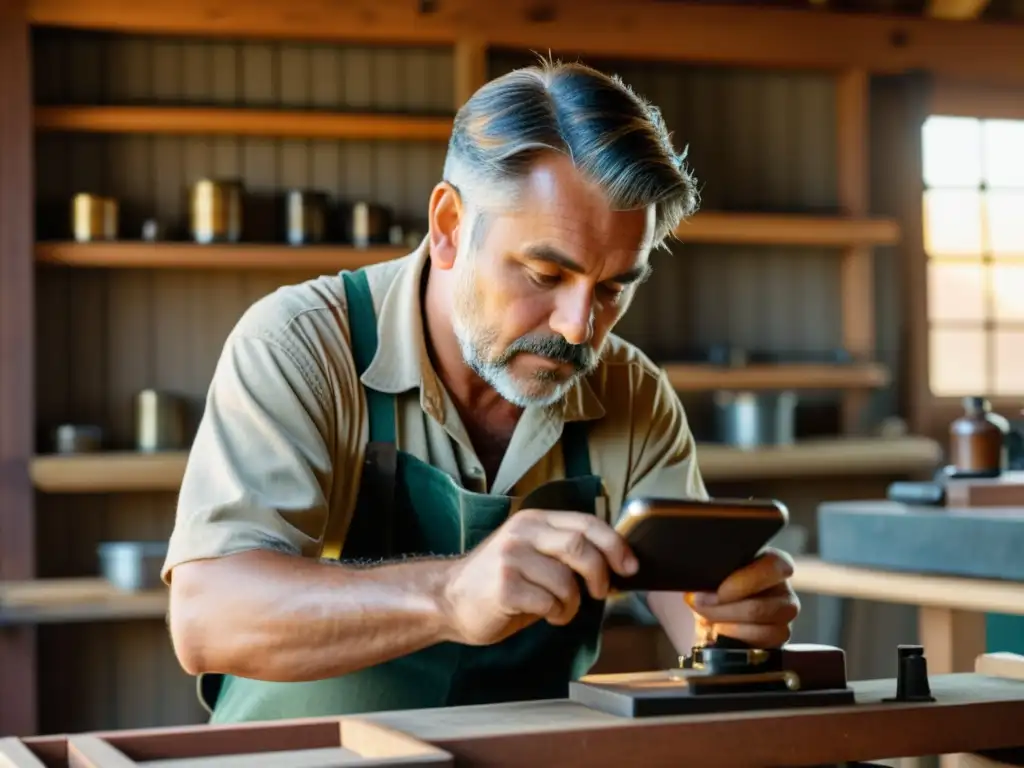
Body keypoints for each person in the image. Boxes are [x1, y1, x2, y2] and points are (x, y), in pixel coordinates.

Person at [162, 58, 799, 723]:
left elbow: (697, 617)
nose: (579, 329)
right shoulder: (300, 346)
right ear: (448, 228)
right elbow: (209, 618)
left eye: (613, 288)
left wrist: (733, 622)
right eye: (545, 273)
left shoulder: (633, 394)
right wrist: (448, 595)